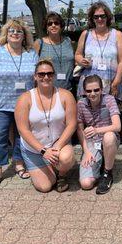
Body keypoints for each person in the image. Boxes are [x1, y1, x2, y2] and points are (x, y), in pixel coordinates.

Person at [0, 19, 39, 189]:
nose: (15, 34)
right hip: (1, 104)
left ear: (24, 35)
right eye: (12, 30)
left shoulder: (31, 53)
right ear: (6, 33)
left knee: (22, 137)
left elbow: (37, 77)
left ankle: (19, 164)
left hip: (25, 104)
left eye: (19, 31)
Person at [15, 60, 77, 193]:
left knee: (66, 158)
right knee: (45, 187)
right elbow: (23, 130)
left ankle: (62, 174)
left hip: (57, 143)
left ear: (54, 75)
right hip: (34, 149)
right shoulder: (24, 99)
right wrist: (44, 151)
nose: (46, 77)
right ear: (35, 76)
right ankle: (46, 167)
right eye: (41, 74)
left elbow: (72, 124)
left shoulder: (66, 95)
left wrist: (57, 147)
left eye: (49, 73)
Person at [77, 74, 121, 194]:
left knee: (109, 136)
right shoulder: (81, 104)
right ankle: (99, 165)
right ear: (84, 91)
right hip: (92, 142)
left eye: (96, 90)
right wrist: (86, 151)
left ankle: (107, 173)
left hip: (108, 140)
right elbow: (80, 130)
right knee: (86, 184)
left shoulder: (109, 100)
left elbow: (117, 126)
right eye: (89, 91)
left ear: (101, 90)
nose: (93, 94)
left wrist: (96, 130)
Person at [75, 1, 122, 100]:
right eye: (96, 17)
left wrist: (116, 82)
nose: (99, 19)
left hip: (111, 83)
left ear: (107, 17)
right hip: (89, 86)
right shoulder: (85, 34)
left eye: (102, 16)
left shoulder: (117, 35)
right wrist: (81, 60)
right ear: (92, 19)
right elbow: (77, 54)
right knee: (87, 114)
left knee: (109, 113)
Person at [34, 12, 75, 91]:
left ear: (61, 26)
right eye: (50, 24)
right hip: (46, 90)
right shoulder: (39, 43)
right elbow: (34, 68)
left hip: (68, 89)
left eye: (56, 23)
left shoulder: (68, 41)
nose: (53, 25)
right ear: (46, 27)